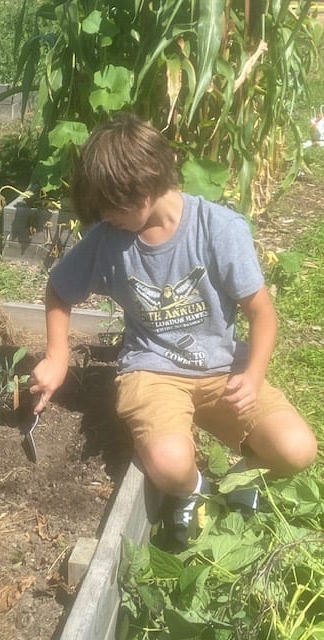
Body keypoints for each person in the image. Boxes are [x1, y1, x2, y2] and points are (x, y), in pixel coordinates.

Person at [29, 112, 318, 544]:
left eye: (112, 207)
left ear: (144, 186)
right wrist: (57, 356)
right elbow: (59, 289)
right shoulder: (109, 240)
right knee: (169, 464)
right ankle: (192, 490)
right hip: (153, 371)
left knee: (298, 449)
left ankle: (242, 477)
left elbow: (262, 314)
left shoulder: (218, 229)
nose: (105, 217)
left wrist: (254, 376)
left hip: (222, 369)